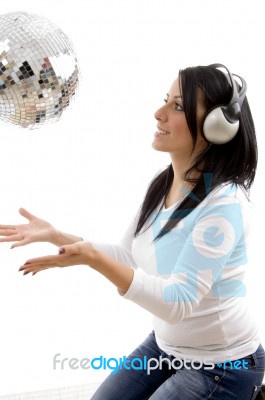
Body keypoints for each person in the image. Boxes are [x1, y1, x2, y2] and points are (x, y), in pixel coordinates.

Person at [0, 64, 264, 400]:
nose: (159, 114)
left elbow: (177, 302)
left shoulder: (224, 205)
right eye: (164, 101)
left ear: (217, 127)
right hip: (167, 347)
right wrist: (58, 236)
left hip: (223, 365)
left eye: (177, 106)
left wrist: (93, 259)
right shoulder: (163, 183)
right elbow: (127, 255)